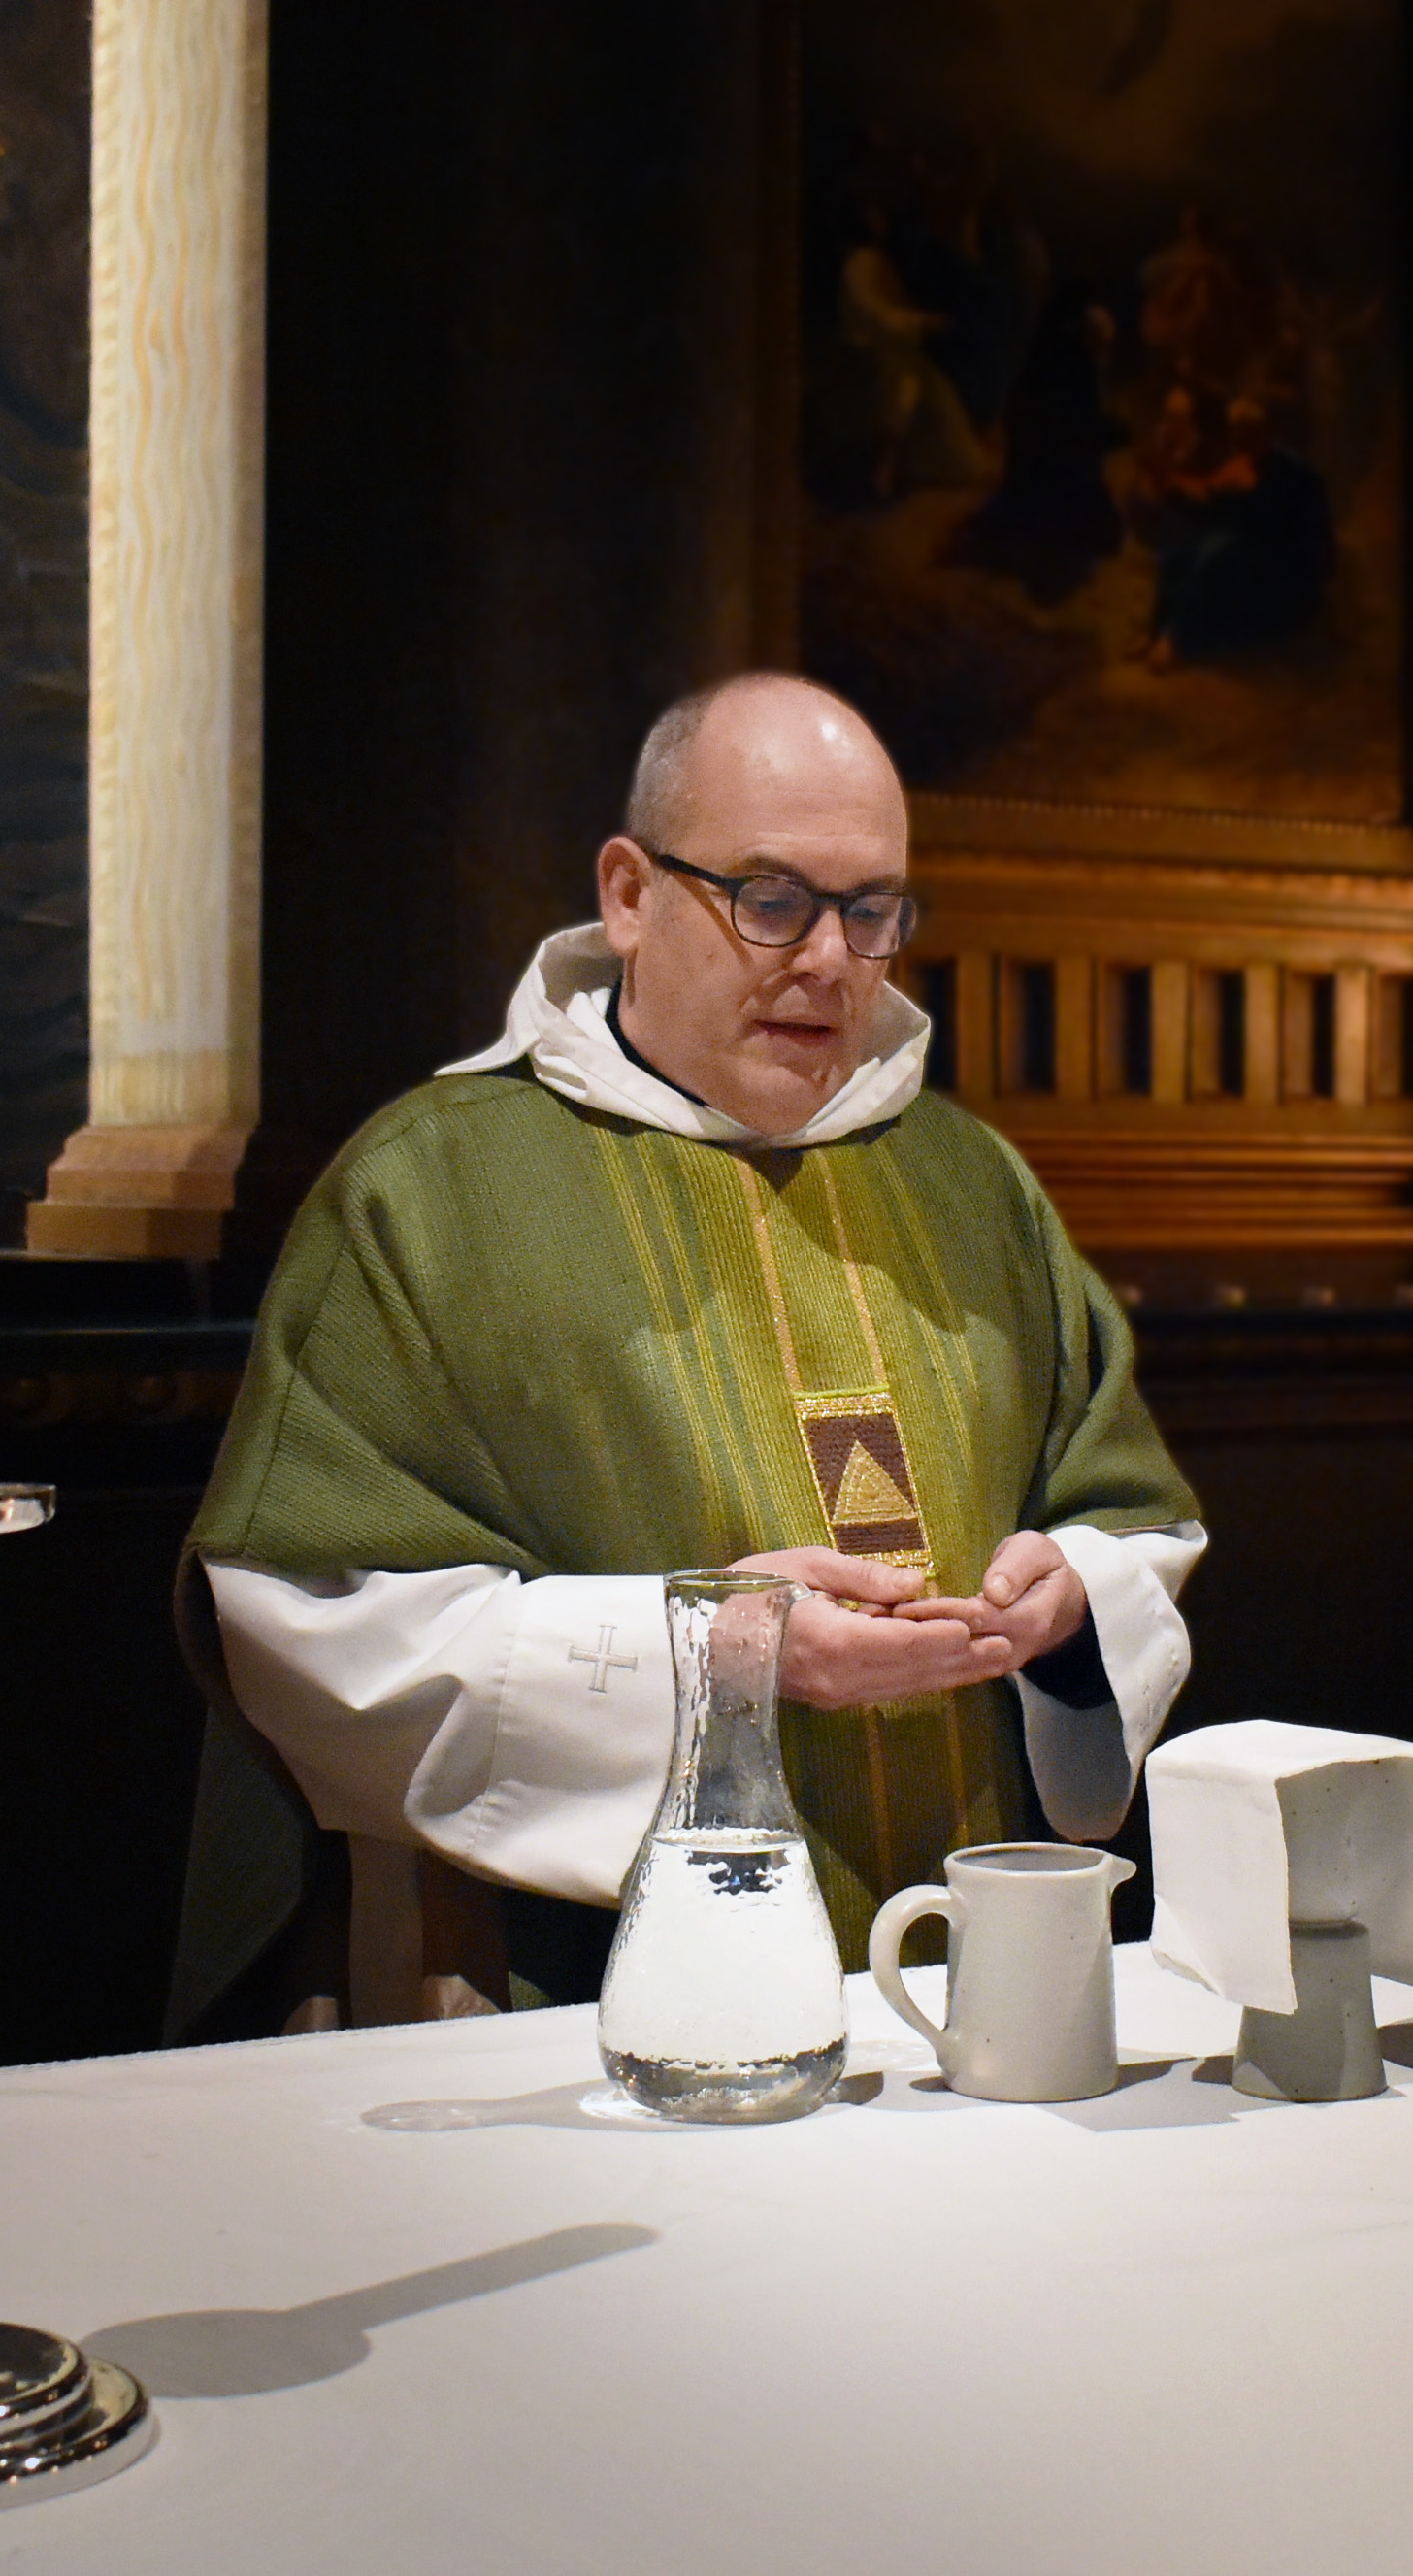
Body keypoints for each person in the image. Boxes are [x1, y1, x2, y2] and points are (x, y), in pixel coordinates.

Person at [175, 675, 1203, 2027]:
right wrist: (716, 1653)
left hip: (969, 2002)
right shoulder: (426, 1195)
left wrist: (1069, 1600)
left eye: (873, 911)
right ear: (627, 893)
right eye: (772, 899)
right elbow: (314, 1630)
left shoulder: (974, 1185)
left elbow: (1130, 1518)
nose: (831, 960)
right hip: (571, 2015)